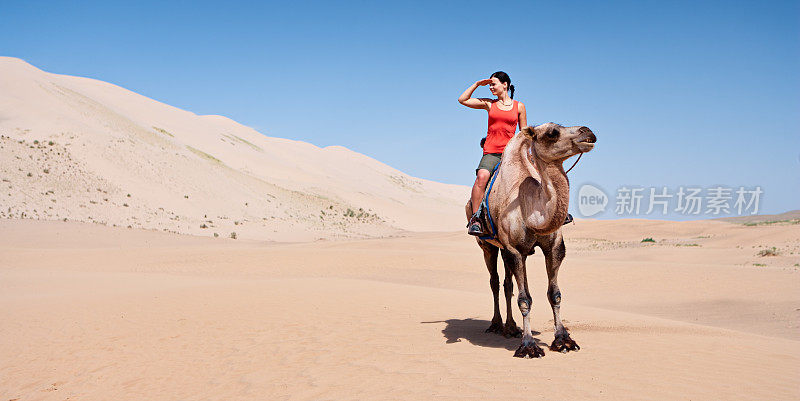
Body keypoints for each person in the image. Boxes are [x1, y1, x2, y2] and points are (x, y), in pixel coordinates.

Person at [459, 72, 571, 236]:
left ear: (505, 85)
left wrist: (529, 154)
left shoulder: (519, 106)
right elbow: (462, 100)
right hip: (492, 152)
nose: (490, 87)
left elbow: (524, 133)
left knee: (540, 174)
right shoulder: (490, 104)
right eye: (489, 85)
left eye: (493, 84)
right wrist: (477, 84)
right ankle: (476, 219)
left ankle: (558, 212)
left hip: (513, 153)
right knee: (482, 177)